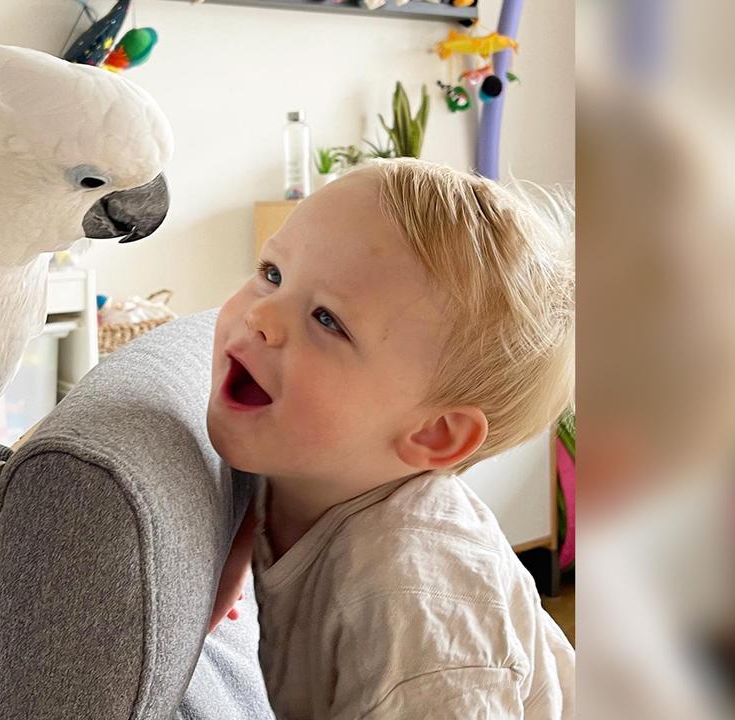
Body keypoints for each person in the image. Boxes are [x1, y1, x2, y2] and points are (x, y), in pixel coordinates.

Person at [206, 159, 574, 718]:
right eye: (273, 273)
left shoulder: (415, 602)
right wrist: (229, 551)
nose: (261, 315)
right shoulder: (301, 461)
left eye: (327, 320)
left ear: (433, 433)